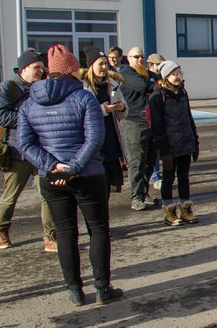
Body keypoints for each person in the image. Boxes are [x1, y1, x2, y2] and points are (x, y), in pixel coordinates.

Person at [17, 45, 122, 306]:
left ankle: (74, 289)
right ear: (73, 70)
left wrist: (51, 165)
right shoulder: (84, 98)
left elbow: (25, 143)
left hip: (51, 177)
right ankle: (102, 287)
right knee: (98, 230)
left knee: (65, 233)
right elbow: (95, 138)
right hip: (87, 174)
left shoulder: (29, 103)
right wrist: (74, 166)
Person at [0, 49, 57, 252]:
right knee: (11, 195)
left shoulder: (43, 87)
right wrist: (30, 120)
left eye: (42, 67)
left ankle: (50, 236)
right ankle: (1, 229)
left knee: (47, 195)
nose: (40, 71)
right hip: (17, 151)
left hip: (41, 151)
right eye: (36, 67)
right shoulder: (8, 87)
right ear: (23, 69)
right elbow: (1, 116)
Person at [148, 61, 199, 226]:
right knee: (169, 178)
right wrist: (164, 151)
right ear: (165, 77)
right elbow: (157, 126)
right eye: (174, 74)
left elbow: (189, 118)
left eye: (179, 73)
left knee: (184, 177)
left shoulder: (183, 92)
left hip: (185, 142)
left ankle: (186, 209)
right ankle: (169, 211)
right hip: (170, 146)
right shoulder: (157, 96)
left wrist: (195, 141)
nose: (178, 77)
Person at [80, 47, 128, 199]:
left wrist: (121, 108)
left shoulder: (113, 85)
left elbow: (123, 113)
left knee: (110, 186)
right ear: (91, 66)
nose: (104, 67)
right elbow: (83, 115)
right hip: (95, 143)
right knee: (98, 187)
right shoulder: (83, 87)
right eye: (100, 64)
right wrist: (105, 109)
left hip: (111, 140)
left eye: (105, 64)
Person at [118, 46, 158, 211]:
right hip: (133, 122)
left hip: (150, 122)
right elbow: (143, 85)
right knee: (137, 161)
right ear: (129, 58)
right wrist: (152, 82)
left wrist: (153, 82)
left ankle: (144, 192)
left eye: (142, 56)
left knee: (150, 160)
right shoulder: (126, 73)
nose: (140, 59)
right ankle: (136, 196)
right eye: (136, 56)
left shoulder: (146, 74)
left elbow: (157, 85)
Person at [146, 53, 165, 191]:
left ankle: (157, 175)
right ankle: (155, 177)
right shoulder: (146, 78)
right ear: (151, 65)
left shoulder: (162, 76)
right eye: (158, 64)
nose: (160, 67)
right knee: (153, 151)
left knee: (159, 150)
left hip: (161, 116)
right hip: (150, 117)